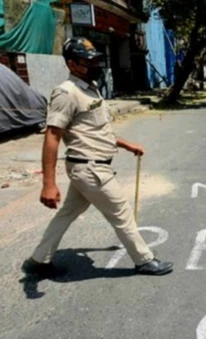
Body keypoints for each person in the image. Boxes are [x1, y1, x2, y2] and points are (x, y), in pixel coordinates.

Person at [21, 37, 174, 277]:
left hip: (89, 167)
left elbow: (95, 130)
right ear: (72, 65)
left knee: (68, 213)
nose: (95, 65)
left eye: (96, 60)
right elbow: (52, 136)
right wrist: (48, 184)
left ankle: (38, 260)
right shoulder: (66, 93)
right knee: (121, 211)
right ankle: (144, 259)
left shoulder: (90, 89)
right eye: (88, 61)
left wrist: (126, 144)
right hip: (90, 168)